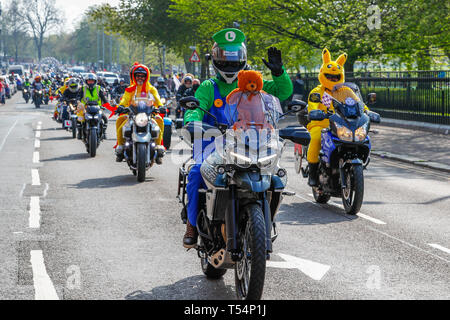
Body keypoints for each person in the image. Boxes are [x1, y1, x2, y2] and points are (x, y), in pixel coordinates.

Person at [182, 28, 293, 248]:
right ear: (215, 59)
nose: (230, 65)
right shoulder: (208, 87)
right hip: (212, 142)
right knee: (195, 172)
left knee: (274, 175)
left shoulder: (253, 84)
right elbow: (195, 108)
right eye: (225, 59)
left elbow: (282, 93)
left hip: (252, 142)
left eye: (234, 60)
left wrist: (279, 72)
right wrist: (193, 121)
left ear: (243, 59)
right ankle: (192, 225)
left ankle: (264, 222)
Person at [306, 48, 369, 186]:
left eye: (336, 77)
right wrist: (315, 112)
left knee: (362, 137)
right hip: (321, 124)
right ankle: (312, 173)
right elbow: (313, 105)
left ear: (341, 76)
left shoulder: (345, 90)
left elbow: (359, 104)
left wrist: (368, 112)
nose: (333, 79)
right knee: (316, 139)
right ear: (323, 74)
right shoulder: (318, 91)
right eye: (329, 77)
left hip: (342, 124)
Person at [114, 63, 165, 164]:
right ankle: (120, 146)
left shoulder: (151, 89)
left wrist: (160, 106)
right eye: (138, 76)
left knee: (159, 120)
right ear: (134, 76)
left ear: (146, 77)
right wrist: (121, 106)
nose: (140, 78)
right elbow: (125, 99)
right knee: (120, 120)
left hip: (149, 114)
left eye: (142, 76)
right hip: (132, 114)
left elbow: (157, 98)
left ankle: (159, 146)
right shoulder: (130, 89)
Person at [78, 73, 109, 140]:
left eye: (92, 81)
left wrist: (108, 104)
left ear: (95, 81)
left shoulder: (99, 88)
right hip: (85, 108)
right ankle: (80, 133)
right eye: (89, 81)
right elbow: (78, 97)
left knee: (105, 119)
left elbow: (104, 98)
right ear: (86, 81)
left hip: (97, 108)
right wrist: (77, 103)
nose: (90, 82)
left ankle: (104, 132)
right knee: (79, 118)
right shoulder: (82, 89)